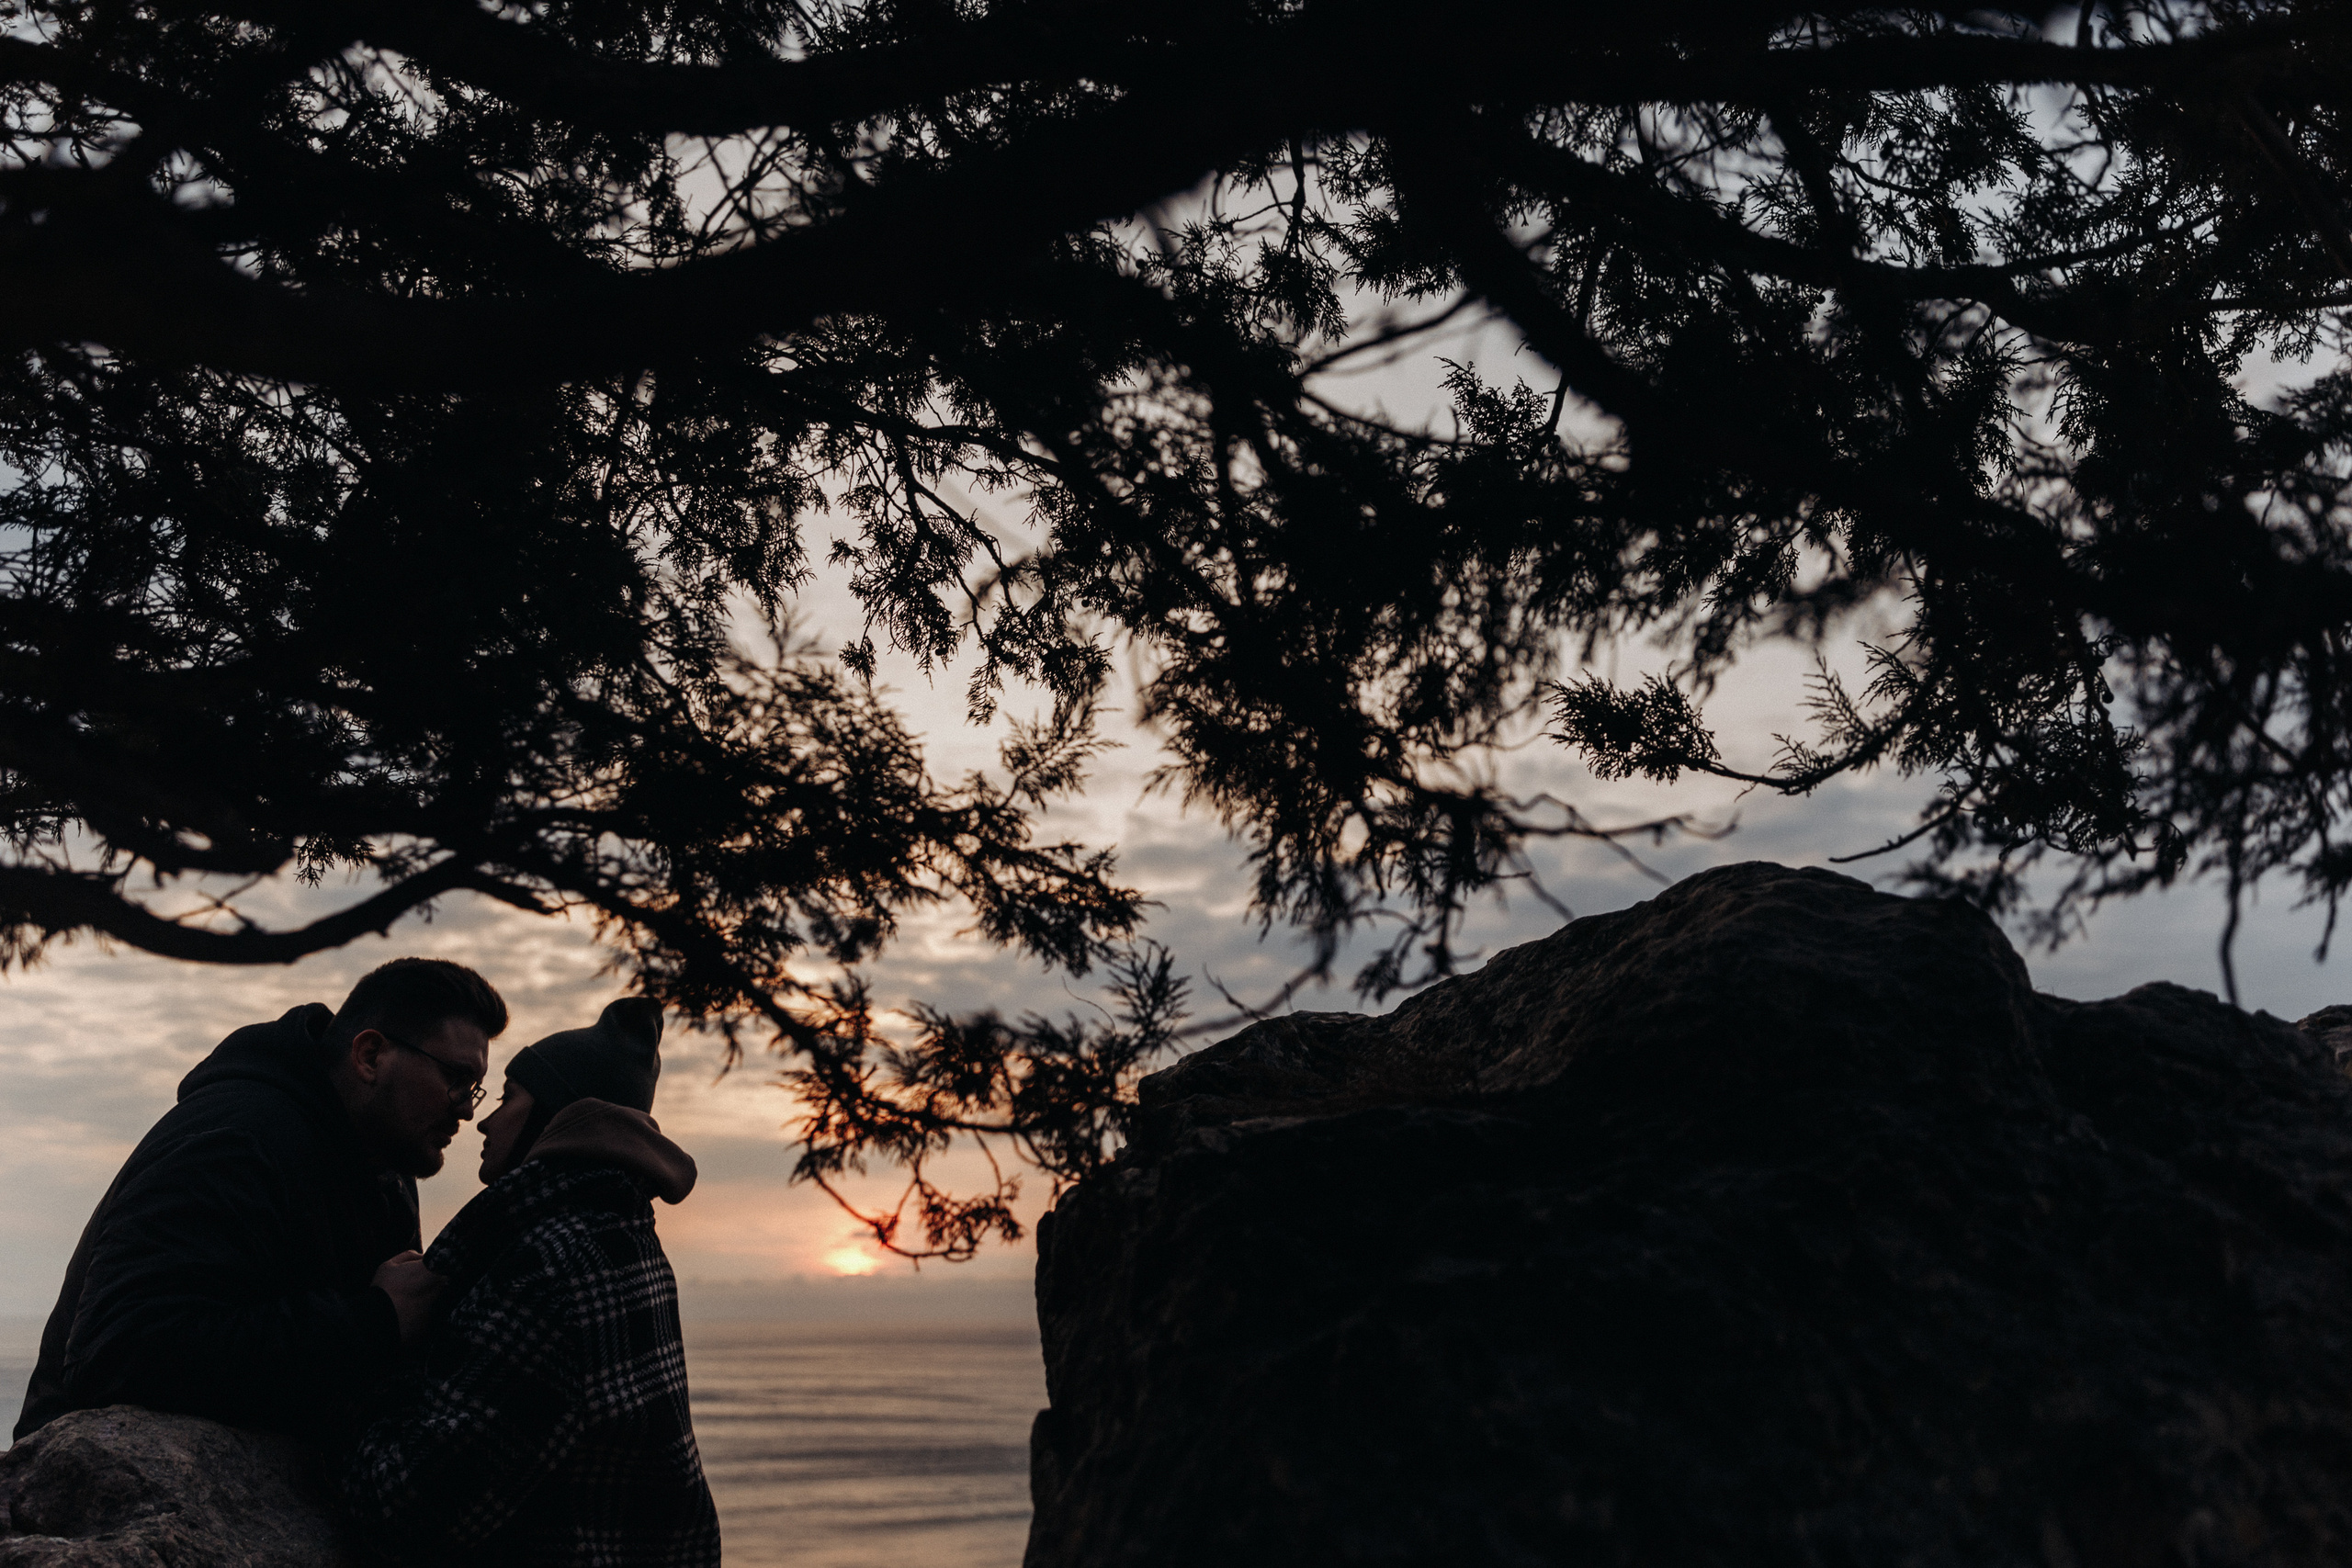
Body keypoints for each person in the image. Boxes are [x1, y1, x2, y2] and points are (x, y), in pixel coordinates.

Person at [15, 956, 506, 1442]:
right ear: (370, 1056)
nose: (465, 1108)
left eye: (474, 1089)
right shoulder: (239, 1138)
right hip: (89, 1489)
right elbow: (118, 1350)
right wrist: (375, 1321)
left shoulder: (383, 1168)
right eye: (455, 1079)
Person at [345, 996, 719, 1568]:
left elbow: (405, 1512)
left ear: (557, 1116)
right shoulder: (621, 1240)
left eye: (507, 1098)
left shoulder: (546, 1267)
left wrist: (375, 1339)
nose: (485, 1120)